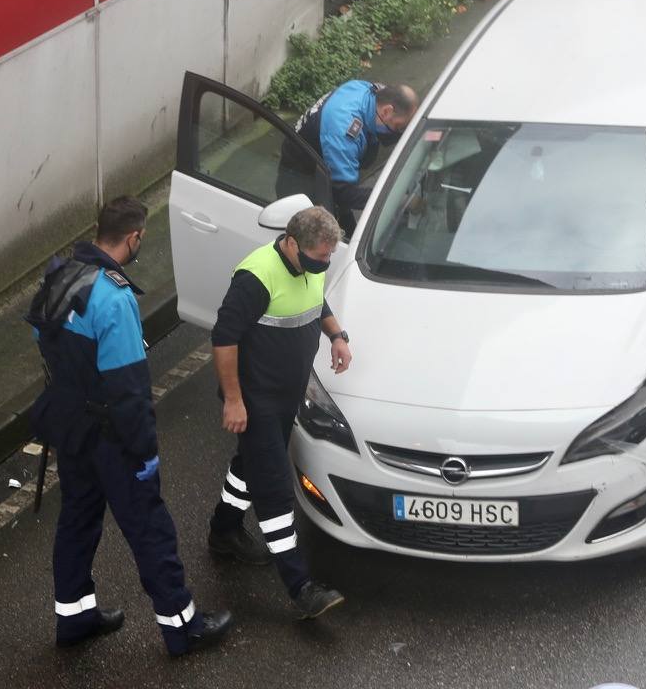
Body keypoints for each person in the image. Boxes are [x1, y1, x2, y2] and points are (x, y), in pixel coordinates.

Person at [25, 196, 232, 656]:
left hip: (71, 428)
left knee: (78, 520)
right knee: (150, 529)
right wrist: (143, 452)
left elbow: (42, 336)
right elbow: (129, 389)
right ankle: (183, 627)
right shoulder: (114, 299)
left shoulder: (61, 275)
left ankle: (74, 618)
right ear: (134, 237)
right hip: (112, 439)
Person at [206, 206, 353, 619]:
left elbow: (314, 301)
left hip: (288, 393)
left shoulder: (313, 262)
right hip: (256, 400)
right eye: (317, 256)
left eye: (328, 257)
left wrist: (337, 336)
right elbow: (223, 337)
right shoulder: (256, 276)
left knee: (249, 464)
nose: (323, 264)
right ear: (291, 242)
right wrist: (234, 401)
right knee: (273, 485)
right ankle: (300, 586)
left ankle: (223, 531)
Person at [276, 80, 418, 233]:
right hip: (301, 177)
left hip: (323, 162)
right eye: (398, 127)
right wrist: (397, 199)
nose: (398, 132)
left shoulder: (370, 91)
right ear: (386, 112)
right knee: (317, 238)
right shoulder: (344, 131)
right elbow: (344, 193)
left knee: (346, 227)